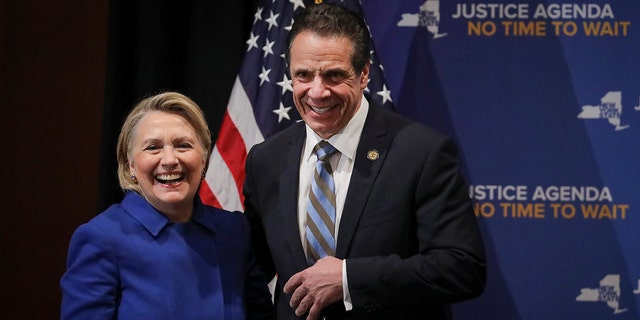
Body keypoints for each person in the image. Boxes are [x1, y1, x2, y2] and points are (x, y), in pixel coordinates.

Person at [243, 3, 486, 320]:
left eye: (334, 75)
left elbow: (462, 267)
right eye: (303, 75)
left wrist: (348, 279)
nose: (317, 92)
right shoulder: (266, 160)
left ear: (364, 74)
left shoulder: (421, 152)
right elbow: (250, 269)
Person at [60, 92, 273, 319]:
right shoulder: (101, 237)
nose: (170, 160)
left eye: (183, 145)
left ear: (203, 159)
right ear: (130, 164)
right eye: (153, 147)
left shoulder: (233, 230)